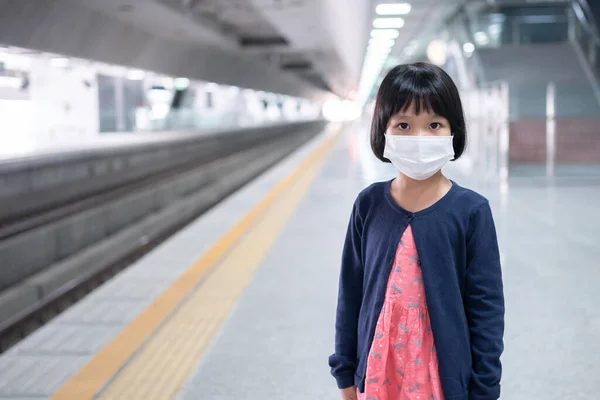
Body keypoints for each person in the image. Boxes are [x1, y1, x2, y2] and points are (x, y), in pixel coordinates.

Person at [328, 62, 505, 400]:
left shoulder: (471, 211)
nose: (419, 138)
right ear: (383, 131)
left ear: (454, 131)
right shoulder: (369, 205)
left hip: (441, 378)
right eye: (404, 125)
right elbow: (350, 295)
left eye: (434, 125)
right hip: (380, 373)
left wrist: (484, 388)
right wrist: (346, 374)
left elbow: (486, 309)